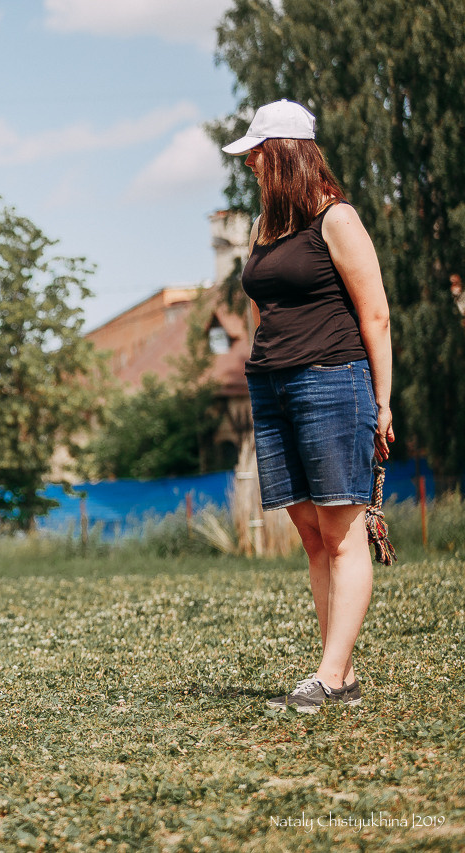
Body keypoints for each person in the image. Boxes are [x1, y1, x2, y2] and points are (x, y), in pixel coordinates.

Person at [222, 100, 394, 713]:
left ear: (285, 152)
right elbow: (260, 307)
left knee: (343, 535)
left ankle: (329, 675)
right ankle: (337, 673)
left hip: (332, 380)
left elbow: (374, 312)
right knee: (312, 535)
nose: (251, 166)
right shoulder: (264, 227)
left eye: (257, 154)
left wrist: (383, 400)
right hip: (271, 386)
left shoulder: (337, 218)